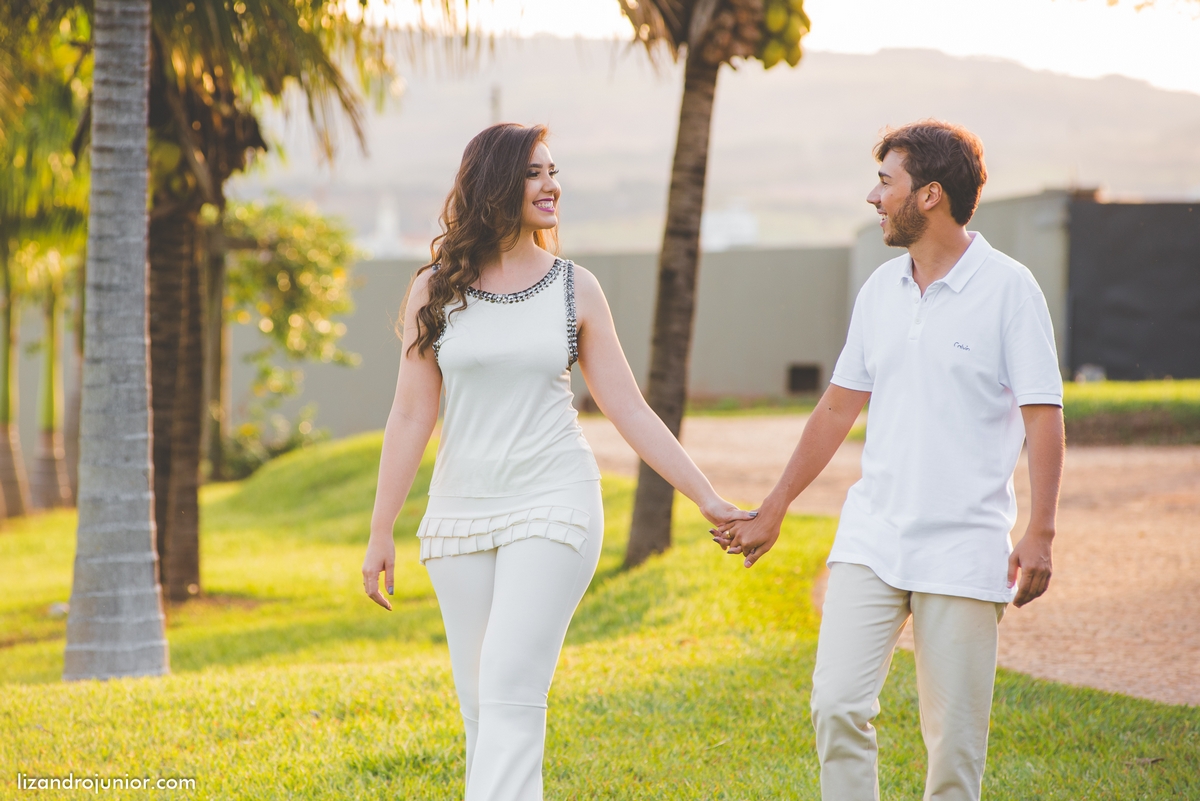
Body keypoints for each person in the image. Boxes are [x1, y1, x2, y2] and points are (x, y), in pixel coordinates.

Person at [361, 123, 749, 801]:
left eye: (553, 171)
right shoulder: (435, 287)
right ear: (494, 186)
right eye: (533, 173)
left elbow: (627, 408)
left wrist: (706, 495)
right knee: (483, 704)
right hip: (459, 515)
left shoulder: (575, 287)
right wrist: (380, 527)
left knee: (510, 686)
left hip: (554, 502)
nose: (551, 185)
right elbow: (410, 414)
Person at [715, 120, 1065, 801]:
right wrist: (776, 506)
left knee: (955, 750)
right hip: (872, 538)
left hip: (965, 546)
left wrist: (1041, 531)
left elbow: (1042, 416)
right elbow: (836, 409)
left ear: (929, 195)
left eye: (885, 182)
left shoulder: (1010, 289)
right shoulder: (880, 289)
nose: (873, 197)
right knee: (837, 704)